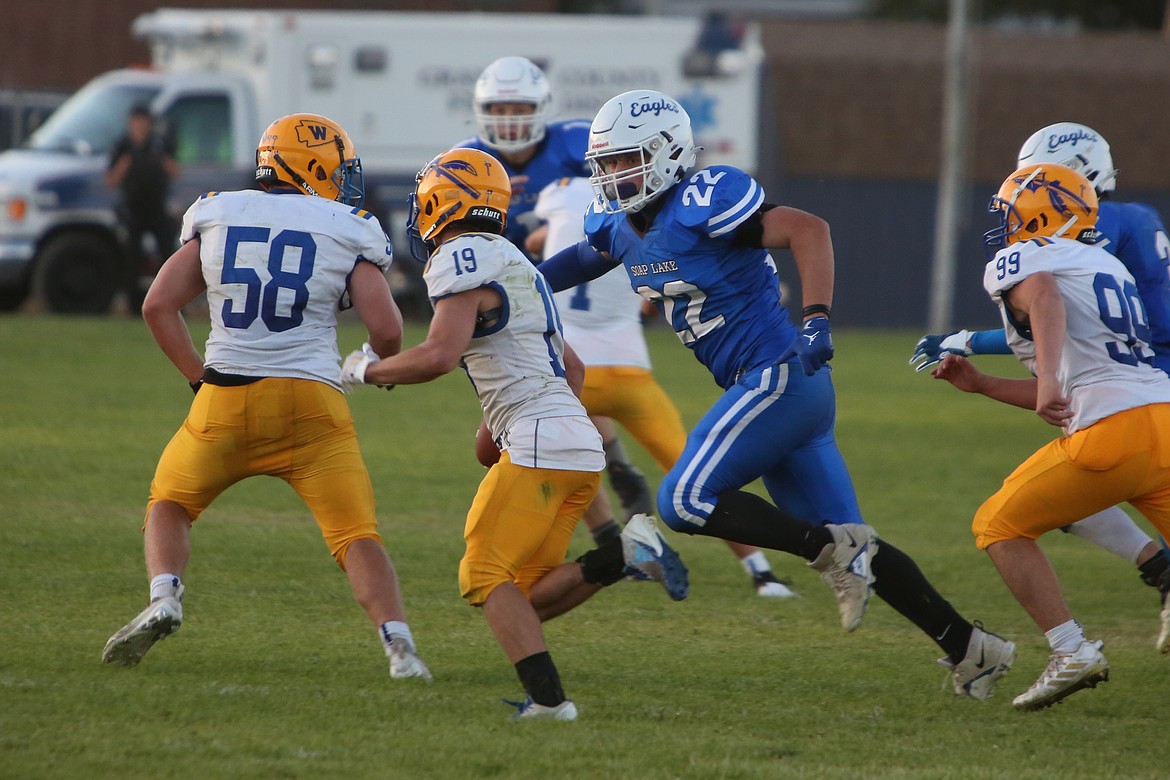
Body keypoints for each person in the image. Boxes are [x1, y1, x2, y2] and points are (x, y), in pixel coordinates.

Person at [536, 89, 1015, 699]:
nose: (611, 176)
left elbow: (809, 229)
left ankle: (829, 553)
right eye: (604, 163)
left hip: (780, 374)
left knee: (683, 499)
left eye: (625, 160)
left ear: (665, 154)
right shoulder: (621, 226)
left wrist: (817, 315)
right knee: (852, 535)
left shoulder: (702, 200)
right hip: (781, 391)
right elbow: (582, 258)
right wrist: (520, 288)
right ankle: (971, 648)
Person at [341, 147, 688, 720]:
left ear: (440, 203)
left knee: (482, 575)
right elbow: (570, 370)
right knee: (523, 595)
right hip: (574, 441)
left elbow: (438, 355)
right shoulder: (515, 262)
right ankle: (622, 552)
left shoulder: (461, 254)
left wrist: (364, 370)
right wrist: (500, 423)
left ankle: (551, 702)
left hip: (541, 437)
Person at [101, 113, 431, 682]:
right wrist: (375, 364)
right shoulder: (346, 226)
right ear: (312, 168)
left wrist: (196, 378)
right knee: (356, 537)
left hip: (224, 398)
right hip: (312, 406)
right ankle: (399, 646)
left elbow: (158, 304)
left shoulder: (219, 212)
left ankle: (165, 597)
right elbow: (389, 328)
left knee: (170, 504)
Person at [910, 122, 1170, 652]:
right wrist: (983, 382)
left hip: (1115, 408)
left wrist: (981, 346)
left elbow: (1049, 302)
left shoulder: (1043, 252)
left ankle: (1072, 649)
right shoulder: (1111, 254)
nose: (1009, 216)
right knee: (1071, 493)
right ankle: (1161, 571)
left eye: (1023, 196)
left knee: (1000, 522)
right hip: (1155, 398)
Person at [527, 175, 795, 598]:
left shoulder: (576, 202)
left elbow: (546, 243)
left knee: (550, 466)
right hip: (630, 370)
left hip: (572, 369)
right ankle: (761, 572)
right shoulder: (659, 214)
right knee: (691, 470)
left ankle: (614, 538)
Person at [458, 55, 681, 550]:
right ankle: (614, 484)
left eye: (520, 107)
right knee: (541, 409)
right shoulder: (465, 159)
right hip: (502, 299)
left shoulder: (575, 143)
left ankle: (599, 523)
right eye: (499, 107)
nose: (510, 119)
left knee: (544, 404)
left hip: (561, 289)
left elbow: (624, 205)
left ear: (542, 108)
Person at [105, 104, 181, 316]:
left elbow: (175, 171)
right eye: (136, 122)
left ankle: (173, 301)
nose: (140, 127)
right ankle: (133, 305)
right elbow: (111, 179)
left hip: (156, 206)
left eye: (144, 122)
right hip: (133, 208)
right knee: (131, 257)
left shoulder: (158, 145)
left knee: (168, 254)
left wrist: (160, 158)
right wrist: (126, 161)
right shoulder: (123, 146)